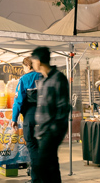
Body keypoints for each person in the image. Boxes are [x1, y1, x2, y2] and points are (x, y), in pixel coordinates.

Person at [31, 46, 69, 183]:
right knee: (51, 166)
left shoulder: (58, 78)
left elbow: (63, 107)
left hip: (51, 131)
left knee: (40, 166)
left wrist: (54, 130)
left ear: (39, 61)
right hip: (41, 130)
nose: (32, 64)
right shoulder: (41, 80)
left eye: (33, 61)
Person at [11, 57, 42, 183]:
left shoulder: (24, 79)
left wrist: (14, 118)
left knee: (33, 146)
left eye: (24, 67)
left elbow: (18, 101)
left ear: (28, 66)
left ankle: (36, 179)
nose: (23, 69)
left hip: (31, 116)